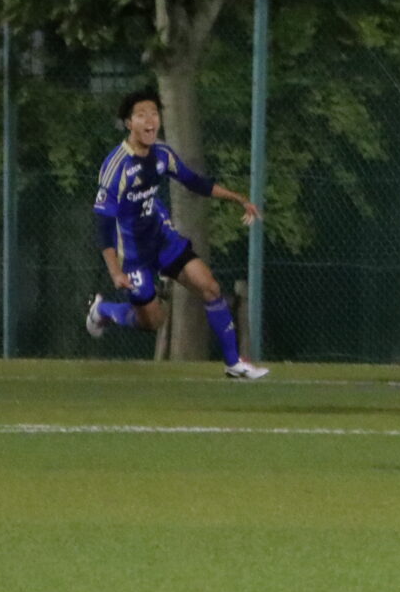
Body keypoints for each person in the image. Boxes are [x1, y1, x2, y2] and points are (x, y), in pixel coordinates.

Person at [85, 90, 267, 378]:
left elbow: (194, 182)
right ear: (129, 123)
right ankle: (104, 311)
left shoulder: (162, 154)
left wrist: (238, 198)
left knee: (210, 288)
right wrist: (115, 272)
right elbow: (104, 225)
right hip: (131, 255)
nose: (150, 120)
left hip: (163, 240)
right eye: (142, 115)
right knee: (153, 321)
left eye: (154, 114)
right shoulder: (116, 166)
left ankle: (234, 364)